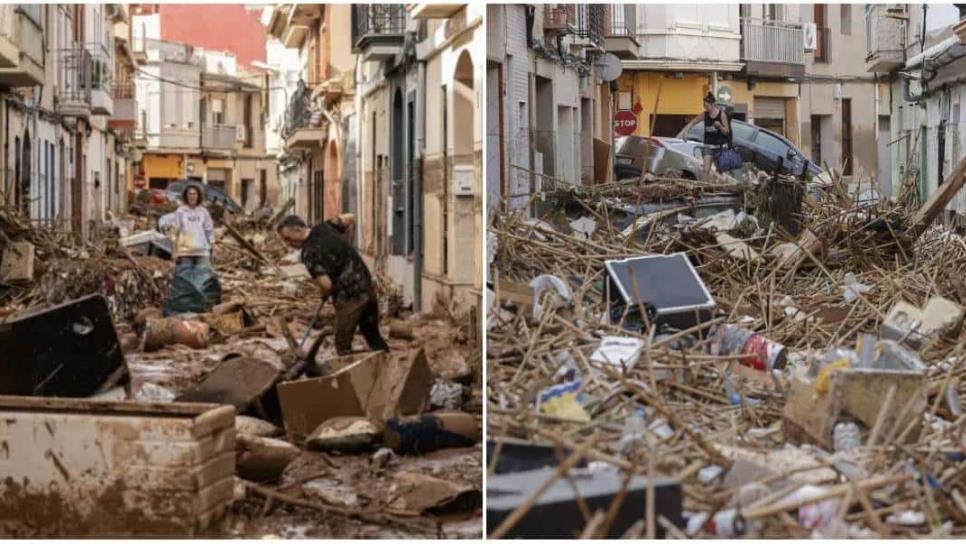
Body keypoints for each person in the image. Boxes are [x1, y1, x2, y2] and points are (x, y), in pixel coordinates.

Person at [277, 213, 389, 356]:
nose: (288, 243)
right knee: (373, 336)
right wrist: (348, 247)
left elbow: (326, 285)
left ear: (298, 230)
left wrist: (324, 294)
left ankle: (351, 376)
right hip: (367, 286)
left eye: (288, 238)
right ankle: (390, 365)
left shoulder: (308, 252)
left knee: (342, 345)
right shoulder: (326, 226)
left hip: (349, 298)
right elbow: (350, 218)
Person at [158, 183, 221, 314]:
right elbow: (175, 232)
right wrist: (174, 250)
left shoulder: (203, 212)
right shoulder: (181, 211)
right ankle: (184, 308)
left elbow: (209, 230)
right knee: (184, 281)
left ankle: (202, 307)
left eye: (194, 194)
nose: (192, 196)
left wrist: (213, 246)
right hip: (185, 251)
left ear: (198, 196)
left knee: (203, 280)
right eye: (189, 194)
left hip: (202, 251)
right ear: (186, 196)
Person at [684, 93, 731, 181]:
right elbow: (693, 122)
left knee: (720, 172)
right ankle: (704, 188)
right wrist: (686, 131)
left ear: (713, 104)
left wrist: (720, 126)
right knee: (705, 169)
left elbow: (727, 131)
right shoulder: (705, 115)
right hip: (708, 147)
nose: (705, 107)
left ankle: (719, 189)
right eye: (704, 105)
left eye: (707, 105)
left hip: (720, 147)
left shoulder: (721, 115)